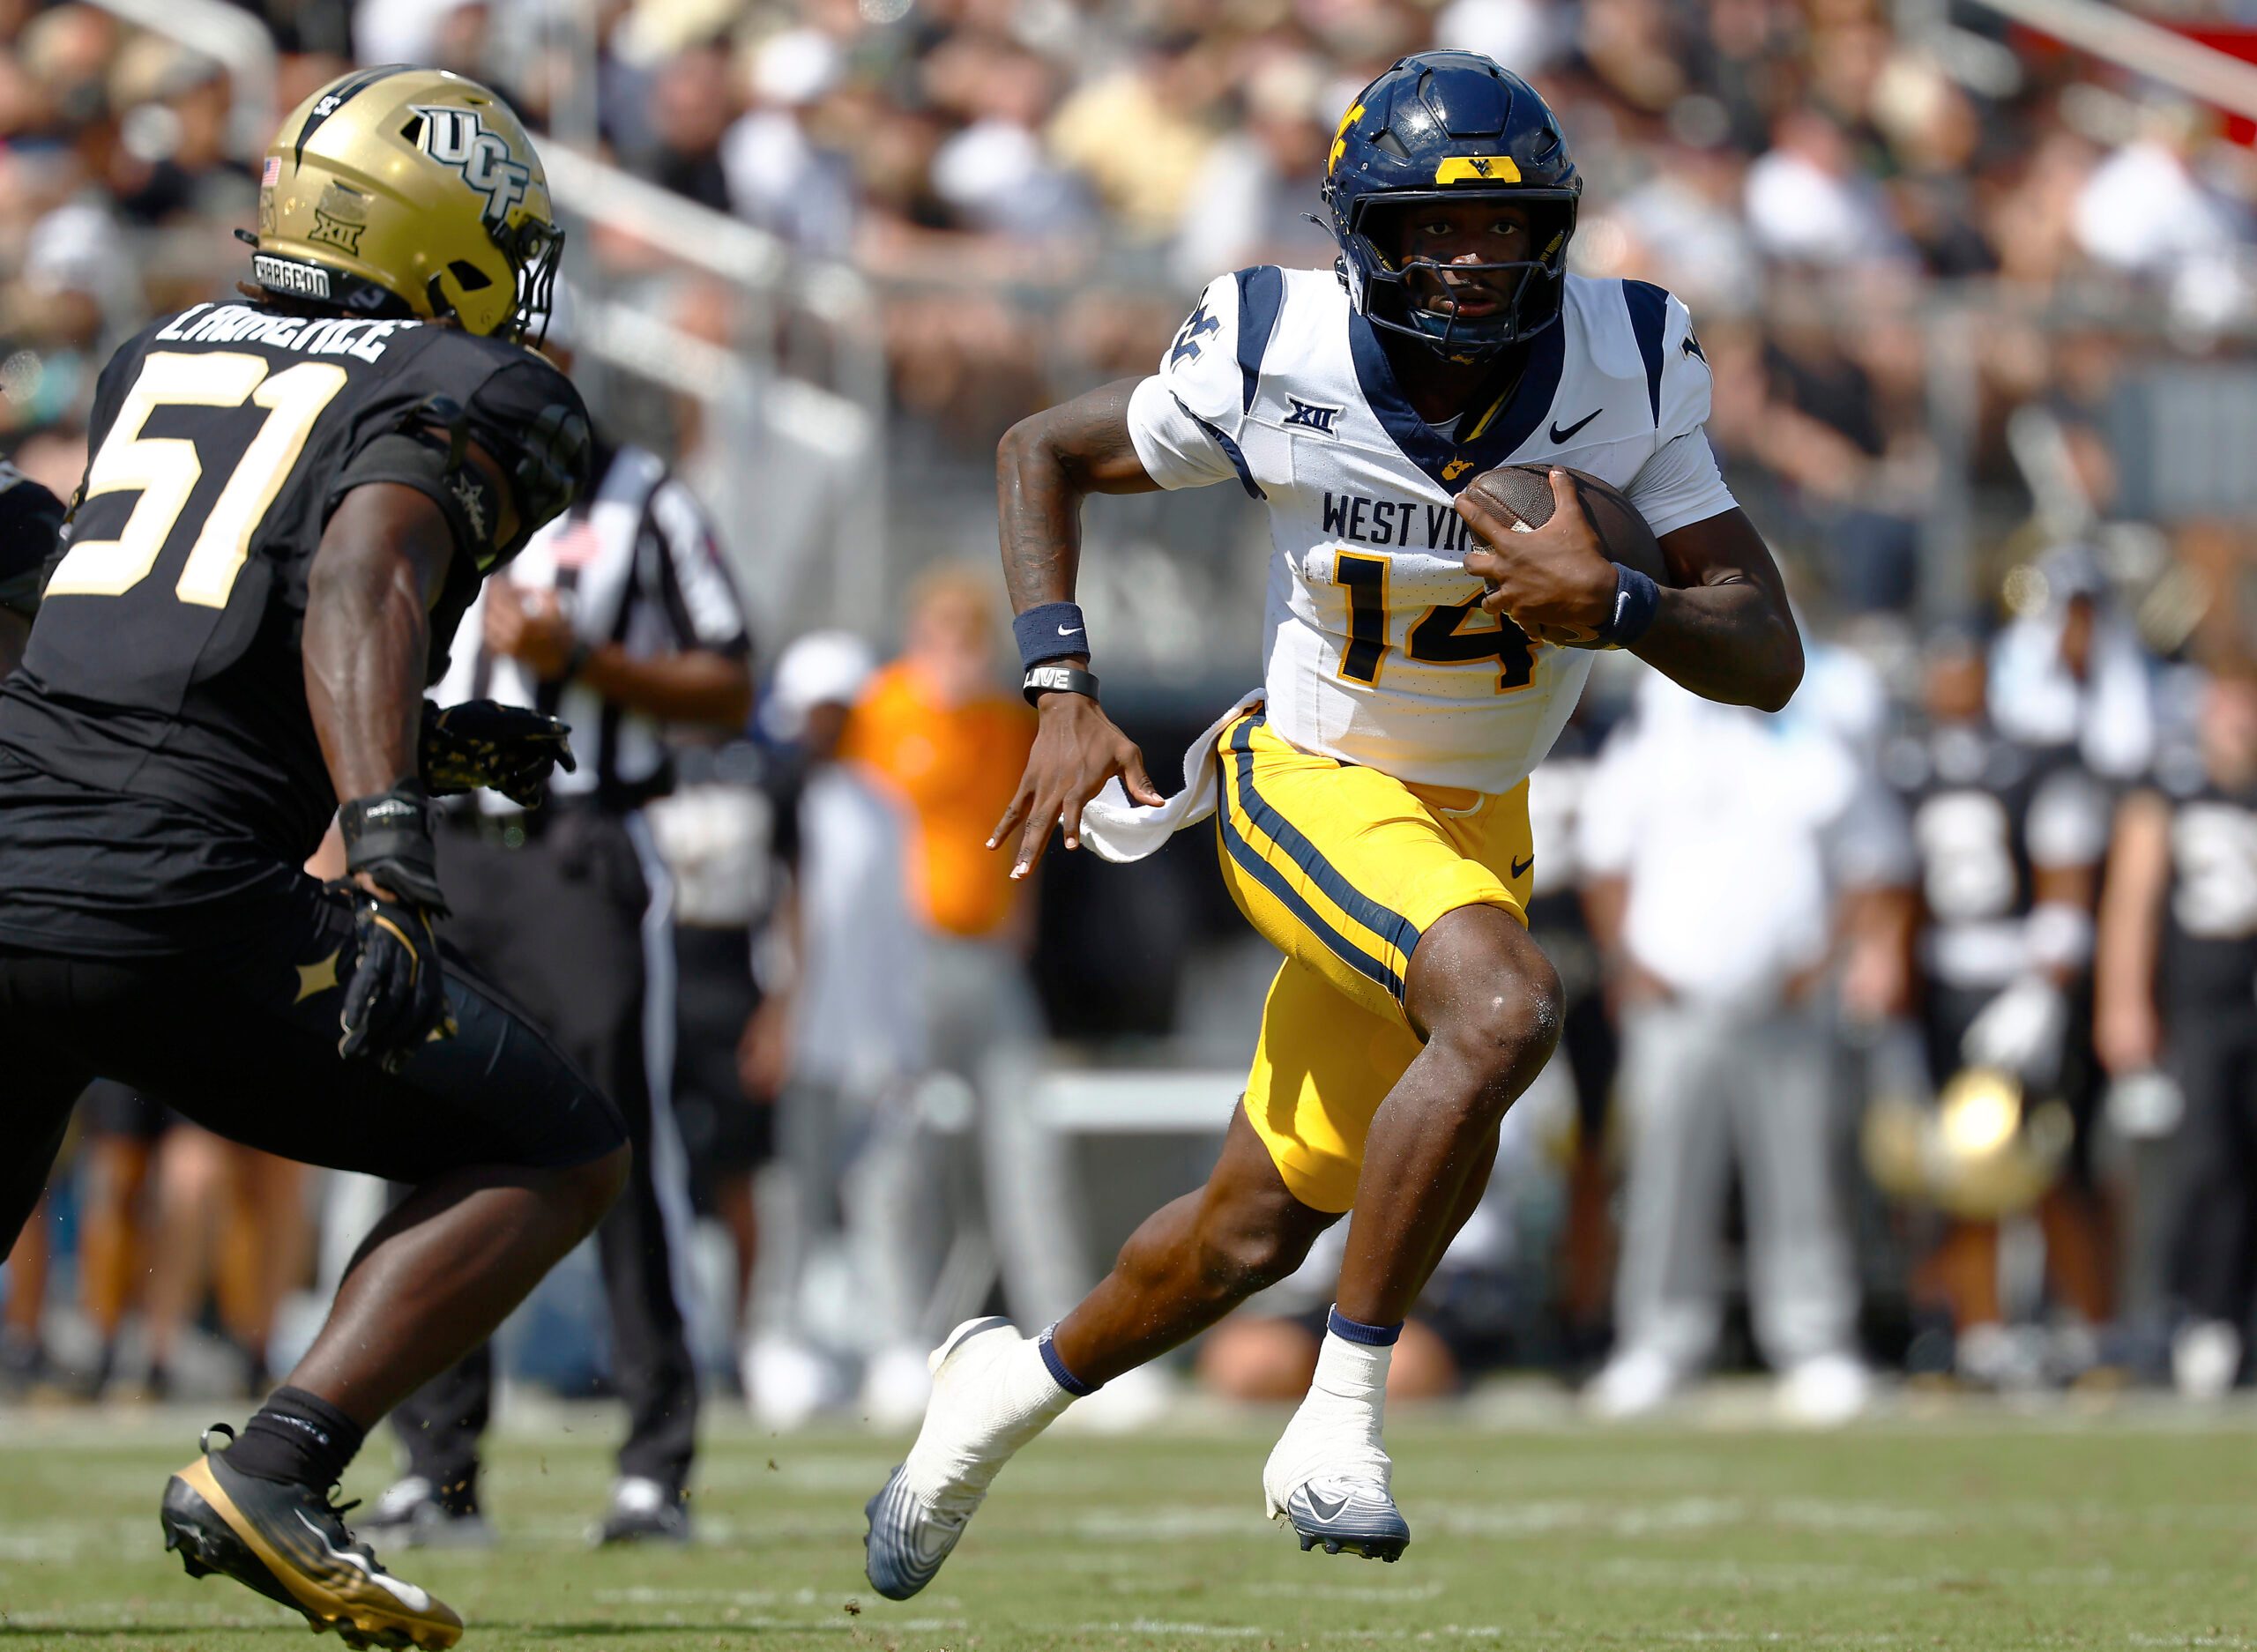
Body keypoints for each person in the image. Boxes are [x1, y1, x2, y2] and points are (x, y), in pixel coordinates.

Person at [863, 49, 1801, 1597]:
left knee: (1248, 1232)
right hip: (1311, 777)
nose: (1471, 258)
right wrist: (1061, 686)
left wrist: (1622, 603)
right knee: (1504, 1009)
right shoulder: (1275, 345)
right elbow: (1044, 450)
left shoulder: (1626, 359)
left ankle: (998, 1393)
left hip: (1474, 824)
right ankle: (1339, 1418)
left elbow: (1766, 648)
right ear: (1368, 234)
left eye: (1501, 227)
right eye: (1435, 226)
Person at [0, 69, 627, 1649]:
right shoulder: (476, 383)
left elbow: (131, 620)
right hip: (173, 889)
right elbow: (358, 576)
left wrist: (411, 735)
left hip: (16, 849)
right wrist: (394, 852)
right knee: (559, 1145)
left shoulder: (156, 353)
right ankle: (277, 1466)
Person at [359, 294, 753, 1550]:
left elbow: (730, 681)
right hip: (442, 845)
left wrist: (582, 659)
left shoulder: (644, 496)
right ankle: (437, 1466)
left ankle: (654, 1461)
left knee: (616, 1138)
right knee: (430, 1140)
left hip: (580, 850)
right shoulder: (415, 478)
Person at [2095, 668, 2257, 1396]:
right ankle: (2201, 1315)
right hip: (2198, 1007)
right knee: (2207, 1163)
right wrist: (2123, 1002)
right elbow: (2132, 900)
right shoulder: (2170, 790)